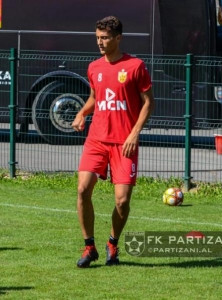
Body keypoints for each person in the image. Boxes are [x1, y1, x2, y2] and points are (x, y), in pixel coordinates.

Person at [71, 16, 154, 267]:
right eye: (97, 37)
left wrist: (134, 132)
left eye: (105, 38)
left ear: (118, 38)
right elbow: (95, 98)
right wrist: (81, 112)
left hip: (124, 143)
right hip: (96, 139)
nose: (100, 42)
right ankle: (89, 247)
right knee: (83, 189)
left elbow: (148, 103)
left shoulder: (135, 66)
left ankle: (112, 243)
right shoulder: (94, 67)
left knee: (122, 200)